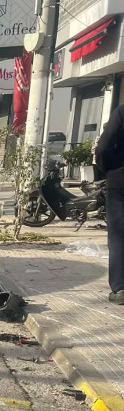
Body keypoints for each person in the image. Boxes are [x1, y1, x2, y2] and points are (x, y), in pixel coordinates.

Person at [96, 113, 124, 304]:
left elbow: (104, 147)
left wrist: (108, 168)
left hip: (121, 180)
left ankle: (121, 287)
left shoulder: (122, 112)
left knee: (119, 236)